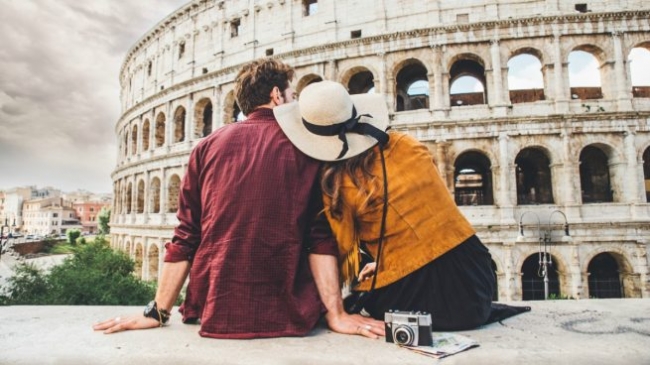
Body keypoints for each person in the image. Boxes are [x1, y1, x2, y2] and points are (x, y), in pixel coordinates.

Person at [93, 59, 384, 339]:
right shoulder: (307, 147)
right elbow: (318, 237)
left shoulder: (205, 147)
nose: (294, 101)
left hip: (214, 309)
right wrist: (336, 313)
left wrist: (158, 311)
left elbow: (186, 235)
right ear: (276, 96)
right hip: (289, 311)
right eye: (292, 94)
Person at [274, 81, 529, 331]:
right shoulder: (407, 144)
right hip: (475, 282)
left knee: (360, 296)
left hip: (419, 299)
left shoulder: (337, 184)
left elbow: (340, 251)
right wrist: (393, 258)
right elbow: (424, 212)